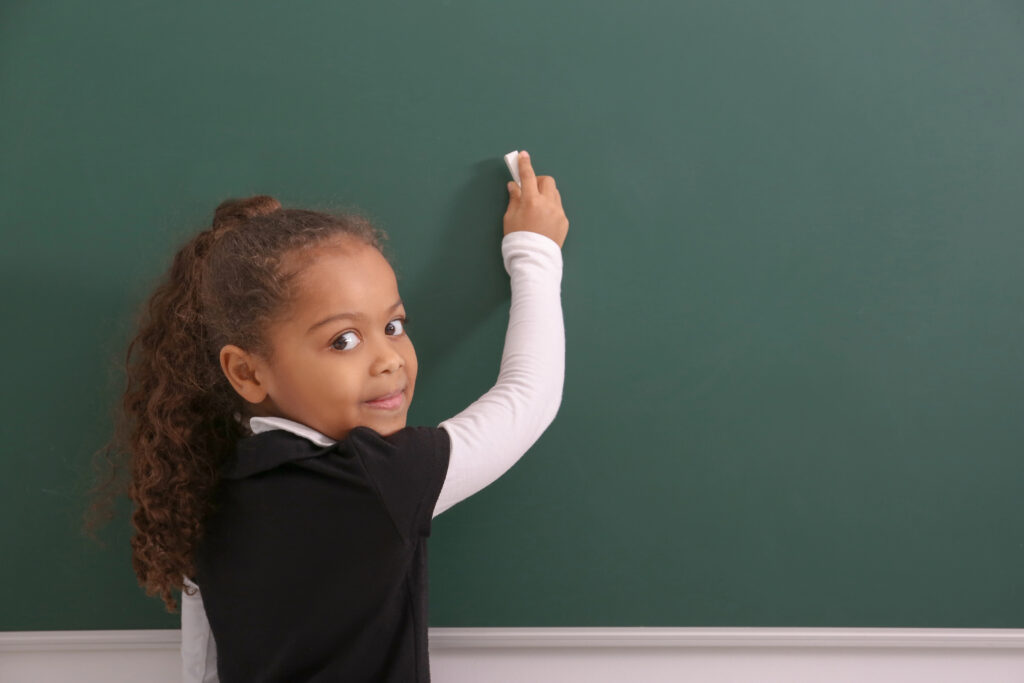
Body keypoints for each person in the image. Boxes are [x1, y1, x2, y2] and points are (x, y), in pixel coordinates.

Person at [83, 151, 568, 682]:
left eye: (394, 326)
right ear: (246, 373)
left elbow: (204, 660)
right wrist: (534, 250)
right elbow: (528, 396)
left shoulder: (211, 480)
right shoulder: (370, 479)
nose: (388, 360)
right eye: (344, 340)